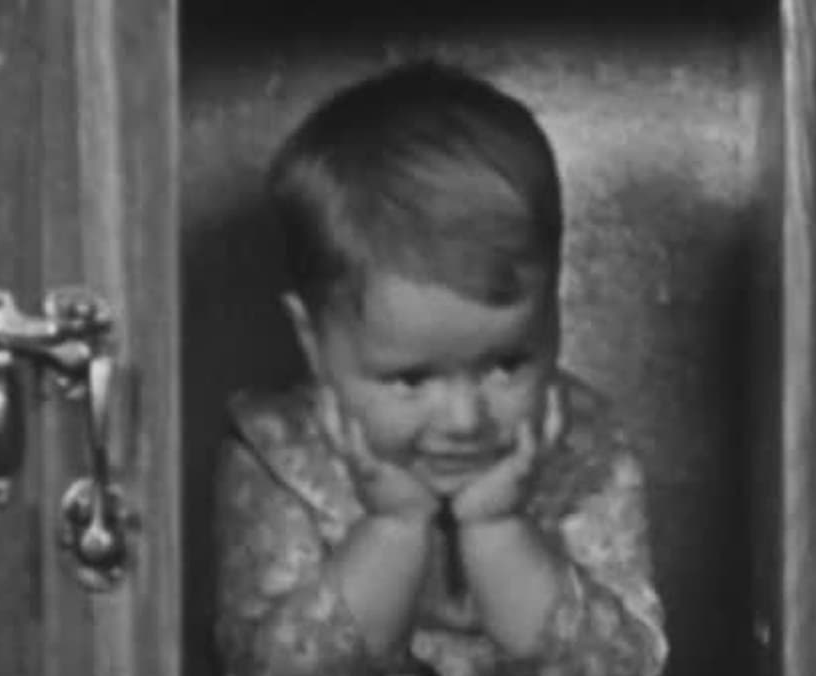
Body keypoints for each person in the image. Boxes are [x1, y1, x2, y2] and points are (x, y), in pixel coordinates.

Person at [213, 60, 668, 676]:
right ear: (313, 341)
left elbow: (627, 666)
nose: (464, 420)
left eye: (507, 363)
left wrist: (498, 530)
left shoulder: (585, 446)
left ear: (555, 316)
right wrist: (395, 528)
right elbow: (265, 667)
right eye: (411, 379)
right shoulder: (278, 455)